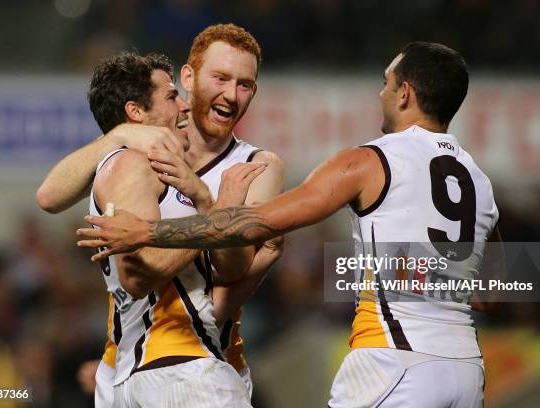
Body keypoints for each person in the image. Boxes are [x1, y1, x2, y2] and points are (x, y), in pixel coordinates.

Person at [78, 42, 502, 407]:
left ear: (405, 93)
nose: (381, 93)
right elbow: (493, 295)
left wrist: (149, 233)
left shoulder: (371, 160)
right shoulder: (479, 179)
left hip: (395, 357)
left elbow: (254, 222)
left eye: (387, 84)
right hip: (465, 369)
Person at [38, 24, 284, 405]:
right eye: (220, 78)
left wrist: (205, 201)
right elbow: (49, 196)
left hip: (202, 358)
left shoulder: (254, 166)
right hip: (145, 366)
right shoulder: (139, 153)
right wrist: (117, 134)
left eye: (245, 84)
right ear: (188, 78)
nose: (231, 95)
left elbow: (232, 275)